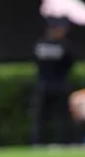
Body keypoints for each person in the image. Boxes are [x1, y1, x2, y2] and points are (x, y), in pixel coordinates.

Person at [31, 16, 74, 145]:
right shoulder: (64, 45)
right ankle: (64, 143)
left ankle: (38, 143)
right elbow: (69, 64)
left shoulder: (39, 44)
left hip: (43, 85)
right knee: (62, 118)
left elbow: (37, 63)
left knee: (41, 119)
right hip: (60, 85)